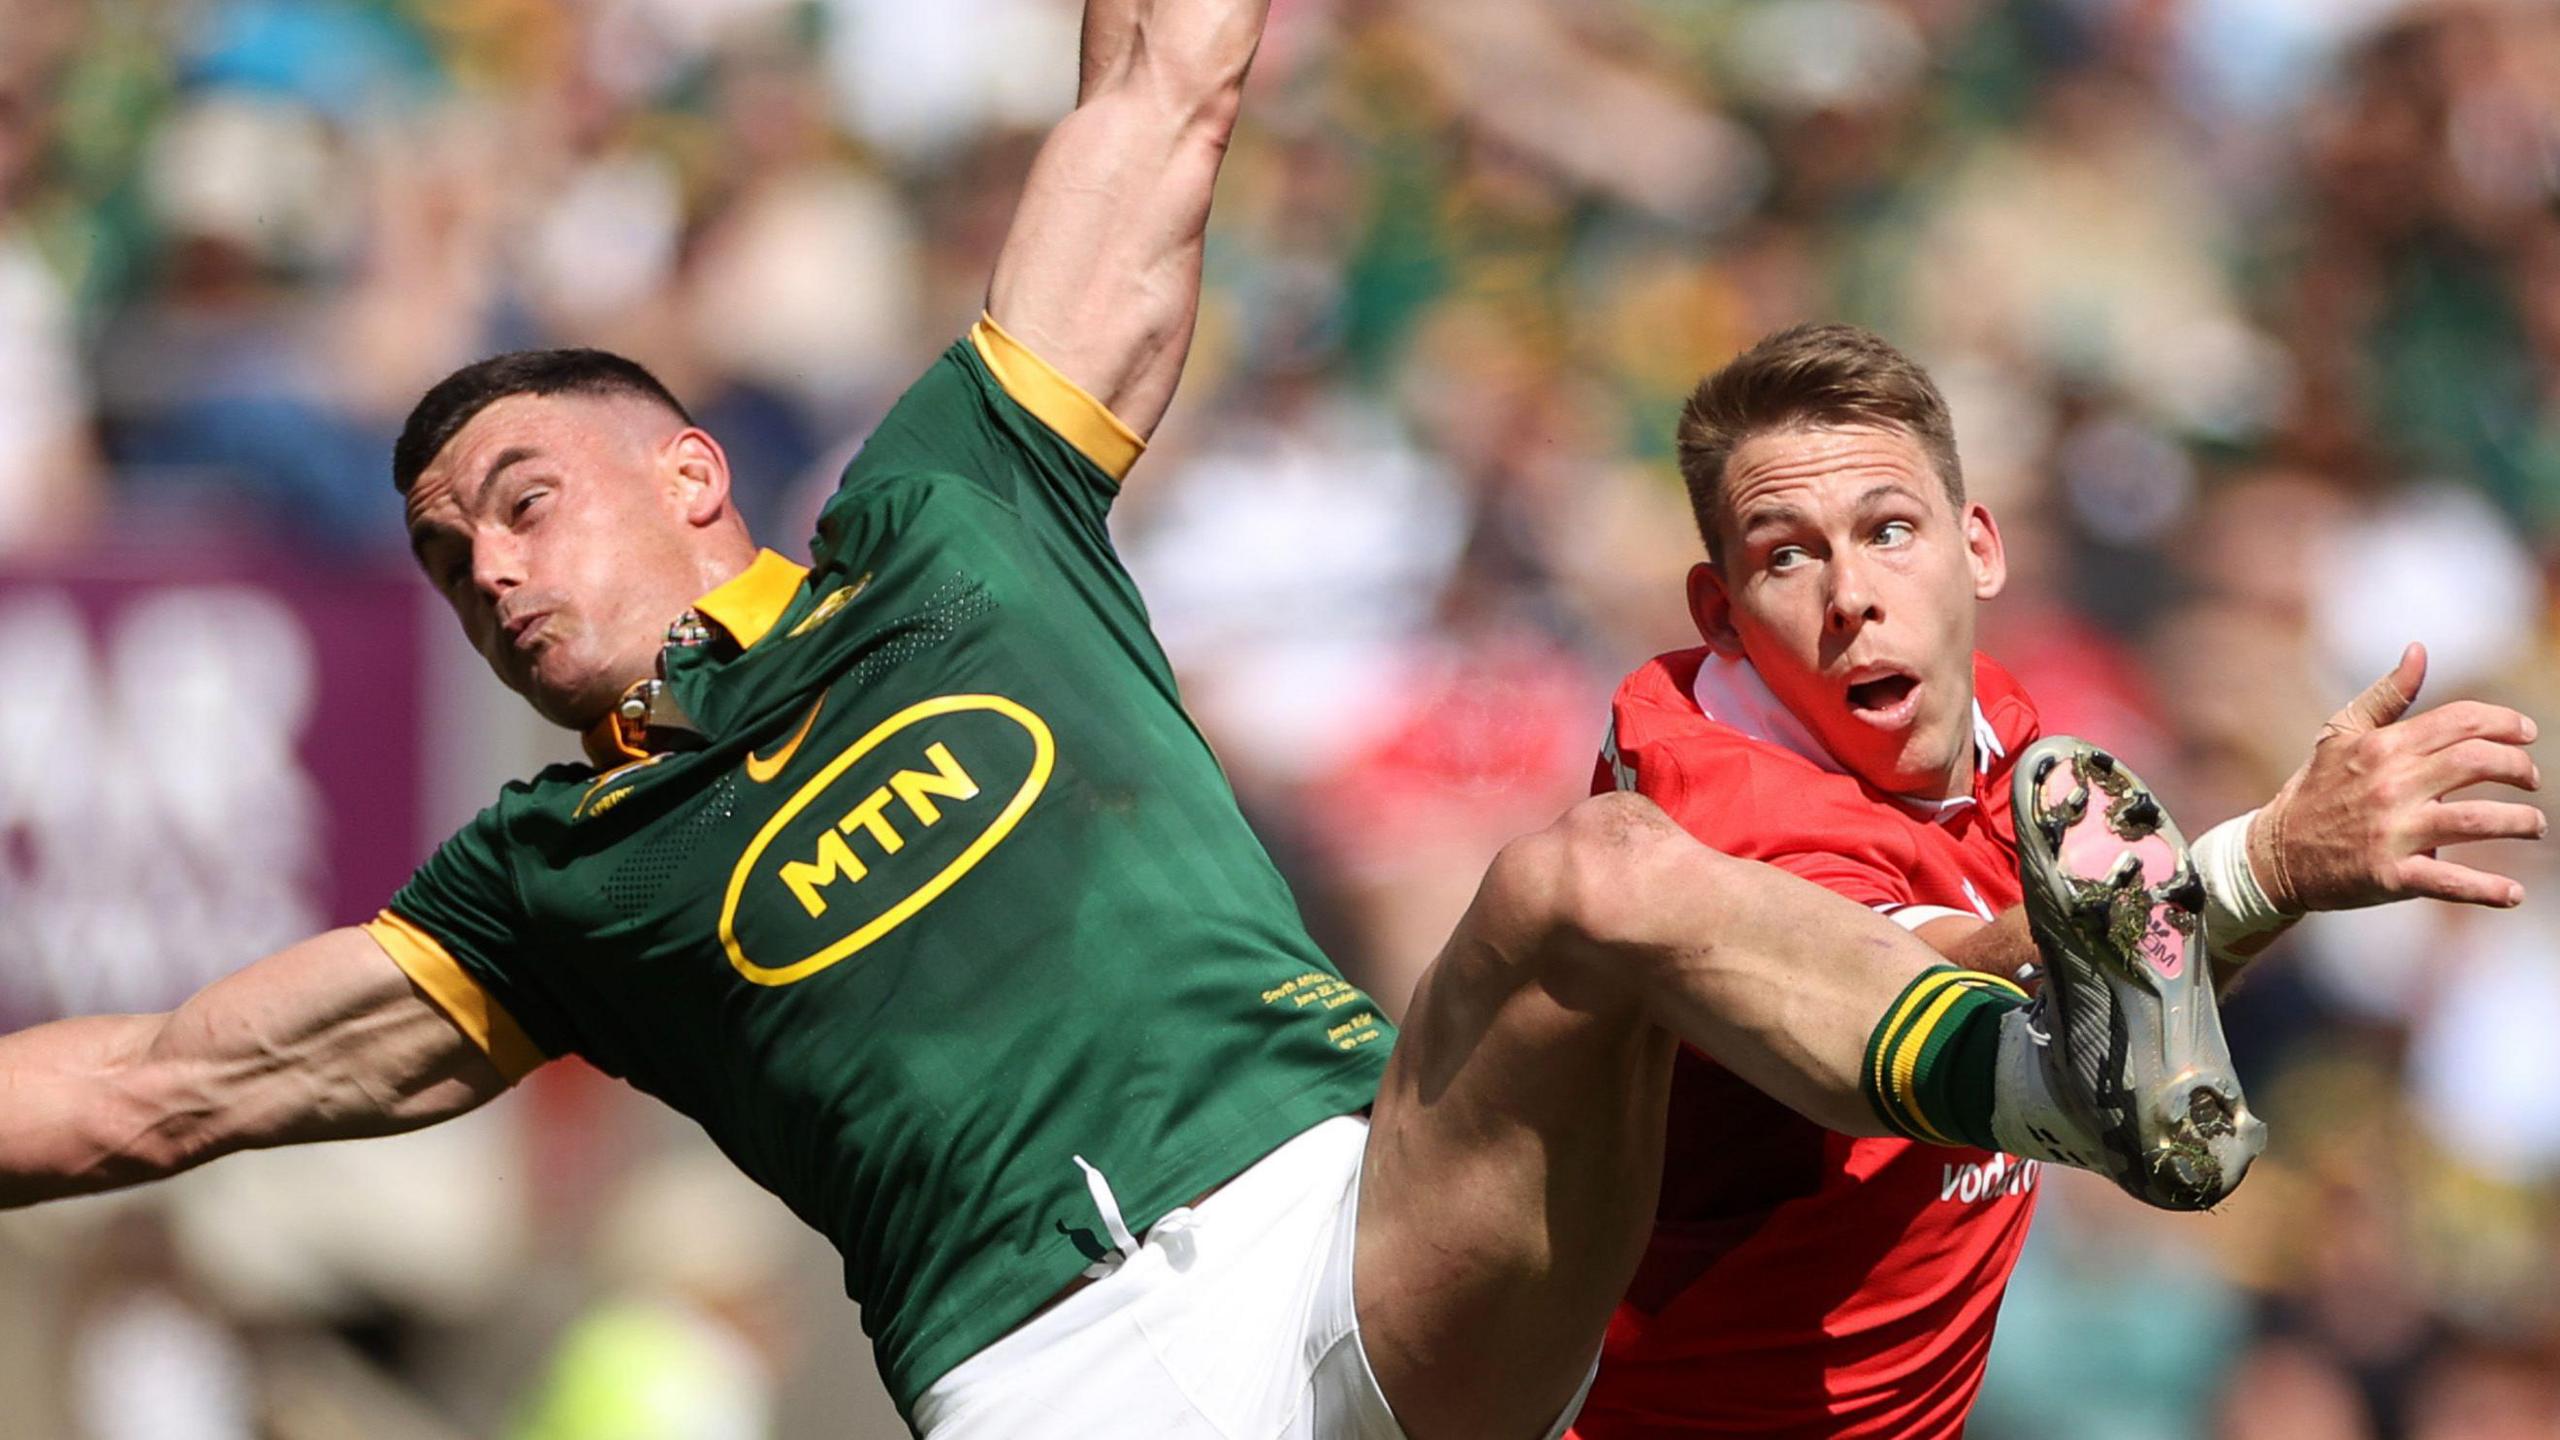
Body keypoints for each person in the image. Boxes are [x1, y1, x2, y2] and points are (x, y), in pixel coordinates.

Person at [0, 7, 2262, 1436]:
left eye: (518, 499)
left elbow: (1165, 82)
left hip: (1349, 1230)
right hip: (1050, 1377)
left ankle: (2056, 1073)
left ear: (686, 471)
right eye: (438, 554)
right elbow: (150, 1082)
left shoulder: (950, 512)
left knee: (1573, 885)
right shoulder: (544, 877)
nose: (486, 570)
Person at [1570, 323, 2548, 1439]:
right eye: (1785, 554)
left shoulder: (2008, 741)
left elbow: (2108, 998)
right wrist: (2253, 863)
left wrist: (2264, 891)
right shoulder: (1702, 780)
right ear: (1718, 611)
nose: (1850, 594)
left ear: (1977, 548)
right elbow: (1878, 991)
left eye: (1889, 530)